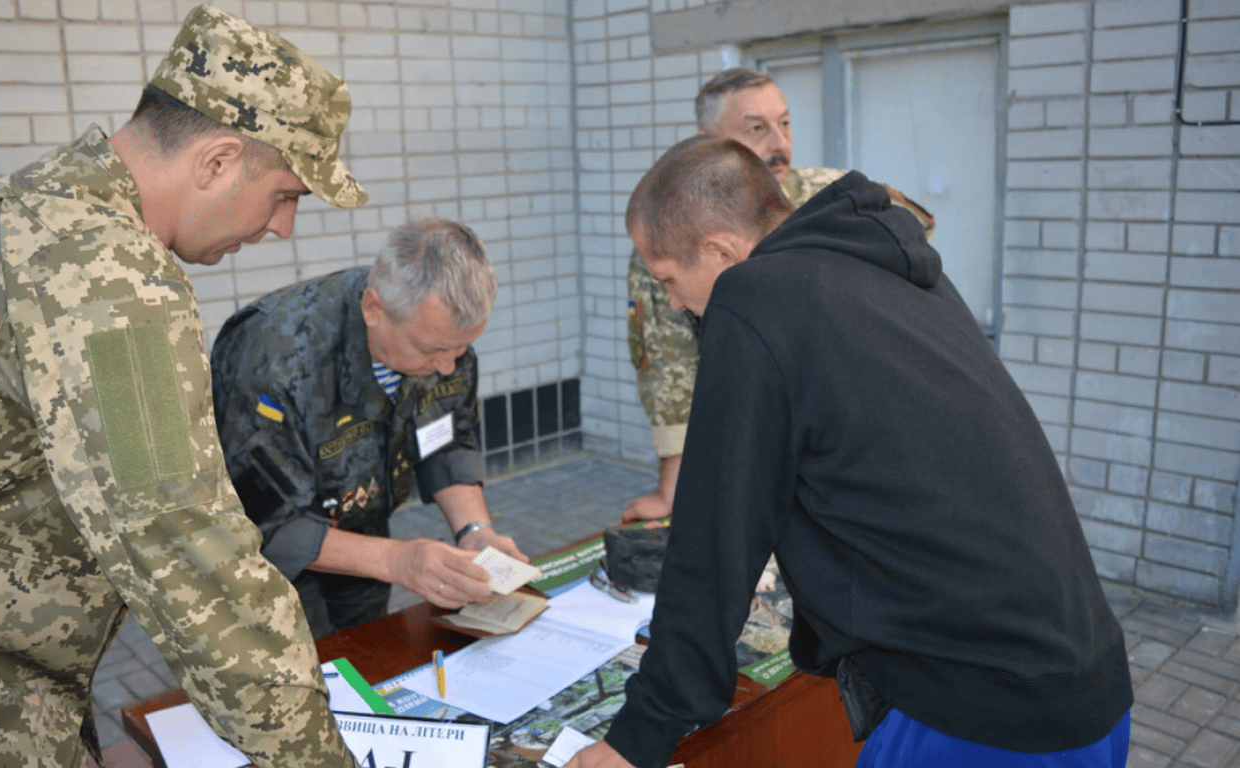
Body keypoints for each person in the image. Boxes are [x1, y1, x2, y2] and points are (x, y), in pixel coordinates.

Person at [0, 6, 368, 766]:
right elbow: (182, 545)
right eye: (286, 194)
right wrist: (311, 754)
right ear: (216, 161)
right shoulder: (105, 278)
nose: (283, 229)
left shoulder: (21, 212)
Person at [569, 136, 1133, 767]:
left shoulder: (753, 298)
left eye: (669, 279)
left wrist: (636, 738)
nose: (671, 302)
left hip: (980, 715)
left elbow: (712, 544)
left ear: (722, 252)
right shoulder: (887, 267)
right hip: (1085, 686)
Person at [623, 67, 934, 523]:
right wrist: (673, 489)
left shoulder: (833, 194)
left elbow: (915, 243)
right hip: (751, 425)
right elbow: (670, 369)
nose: (778, 143)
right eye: (756, 128)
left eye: (784, 123)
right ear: (708, 140)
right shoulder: (675, 237)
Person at [209, 217, 528, 640]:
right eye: (433, 350)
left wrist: (475, 532)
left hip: (364, 538)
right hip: (265, 570)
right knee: (302, 673)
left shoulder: (441, 339)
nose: (448, 367)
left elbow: (447, 441)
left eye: (462, 350)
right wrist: (400, 562)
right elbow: (267, 520)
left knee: (366, 653)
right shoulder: (271, 354)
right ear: (374, 309)